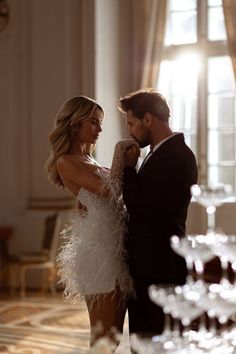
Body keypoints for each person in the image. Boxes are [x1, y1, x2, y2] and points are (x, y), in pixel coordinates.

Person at [45, 95, 136, 350]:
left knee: (114, 337)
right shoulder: (66, 161)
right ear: (75, 125)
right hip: (98, 255)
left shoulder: (91, 161)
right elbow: (112, 191)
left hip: (115, 250)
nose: (100, 128)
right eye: (93, 122)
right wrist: (120, 151)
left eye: (100, 122)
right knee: (103, 340)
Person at [118, 88, 198, 337]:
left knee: (156, 342)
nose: (130, 131)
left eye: (131, 123)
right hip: (148, 266)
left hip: (160, 268)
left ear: (148, 119)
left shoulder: (175, 156)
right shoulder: (159, 154)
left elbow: (141, 207)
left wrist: (129, 170)